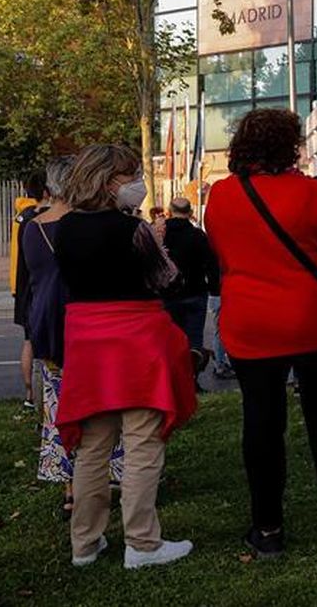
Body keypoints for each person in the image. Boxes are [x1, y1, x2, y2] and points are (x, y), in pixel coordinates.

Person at [205, 109, 317, 559]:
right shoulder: (309, 192)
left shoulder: (222, 194)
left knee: (261, 419)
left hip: (250, 320)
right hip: (309, 317)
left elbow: (222, 251)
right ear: (289, 146)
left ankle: (268, 526)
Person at [53, 144, 197, 568]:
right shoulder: (133, 229)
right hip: (137, 340)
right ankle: (142, 542)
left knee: (92, 447)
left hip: (87, 341)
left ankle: (84, 542)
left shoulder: (65, 227)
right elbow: (169, 281)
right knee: (142, 443)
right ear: (108, 181)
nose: (137, 182)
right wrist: (160, 248)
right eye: (130, 174)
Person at [24, 156, 125, 521]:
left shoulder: (32, 228)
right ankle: (108, 476)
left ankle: (70, 490)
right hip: (86, 322)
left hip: (48, 323)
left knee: (60, 407)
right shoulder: (84, 224)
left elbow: (31, 280)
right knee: (103, 403)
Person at [160, 196, 218, 389]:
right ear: (190, 212)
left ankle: (172, 381)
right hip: (195, 292)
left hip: (168, 294)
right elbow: (211, 263)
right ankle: (192, 380)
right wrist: (215, 289)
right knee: (194, 339)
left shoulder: (161, 235)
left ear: (170, 211)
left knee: (170, 340)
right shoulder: (198, 236)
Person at [12, 170, 48, 410]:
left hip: (23, 286)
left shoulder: (22, 218)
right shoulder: (47, 218)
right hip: (42, 289)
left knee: (29, 342)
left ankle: (29, 396)